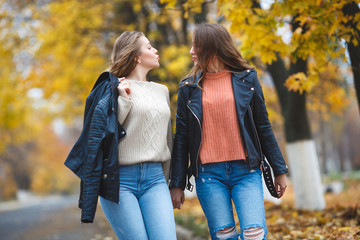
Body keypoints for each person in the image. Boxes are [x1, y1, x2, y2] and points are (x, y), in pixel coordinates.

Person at [169, 23, 288, 240]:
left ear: (212, 47)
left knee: (254, 233)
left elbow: (263, 126)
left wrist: (279, 169)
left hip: (247, 171)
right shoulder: (188, 87)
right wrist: (177, 183)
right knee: (224, 236)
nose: (191, 51)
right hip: (208, 175)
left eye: (196, 46)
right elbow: (181, 138)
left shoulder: (247, 78)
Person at [65, 31, 176, 240]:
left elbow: (166, 139)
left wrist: (171, 182)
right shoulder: (111, 89)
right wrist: (122, 100)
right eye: (150, 47)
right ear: (136, 56)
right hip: (120, 181)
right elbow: (104, 136)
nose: (156, 50)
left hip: (155, 179)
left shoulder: (162, 90)